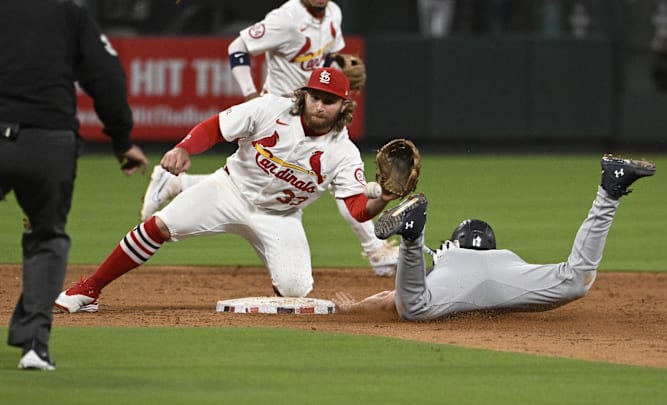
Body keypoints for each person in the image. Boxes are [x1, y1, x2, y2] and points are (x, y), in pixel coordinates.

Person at [55, 67, 398, 314]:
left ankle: (278, 278)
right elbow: (215, 127)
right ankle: (90, 289)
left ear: (344, 106)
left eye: (329, 100)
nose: (320, 106)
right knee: (159, 225)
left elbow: (355, 209)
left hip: (280, 217)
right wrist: (184, 148)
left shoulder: (344, 152)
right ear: (304, 95)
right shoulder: (269, 109)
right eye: (315, 97)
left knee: (295, 292)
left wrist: (381, 199)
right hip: (228, 190)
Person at [139, 0, 399, 277]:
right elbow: (237, 47)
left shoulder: (334, 12)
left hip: (315, 117)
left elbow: (327, 59)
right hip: (280, 113)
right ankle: (375, 250)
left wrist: (339, 69)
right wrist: (250, 93)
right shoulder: (286, 19)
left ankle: (177, 182)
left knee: (319, 176)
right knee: (302, 179)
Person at [0, 0, 149, 370]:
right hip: (47, 141)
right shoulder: (68, 12)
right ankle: (35, 345)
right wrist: (121, 139)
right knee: (45, 236)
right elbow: (107, 76)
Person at [333, 154, 656, 321]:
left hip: (456, 277)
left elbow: (390, 299)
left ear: (455, 241)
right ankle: (609, 190)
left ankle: (413, 237)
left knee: (413, 308)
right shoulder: (506, 257)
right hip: (509, 276)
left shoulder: (449, 255)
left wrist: (356, 309)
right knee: (576, 279)